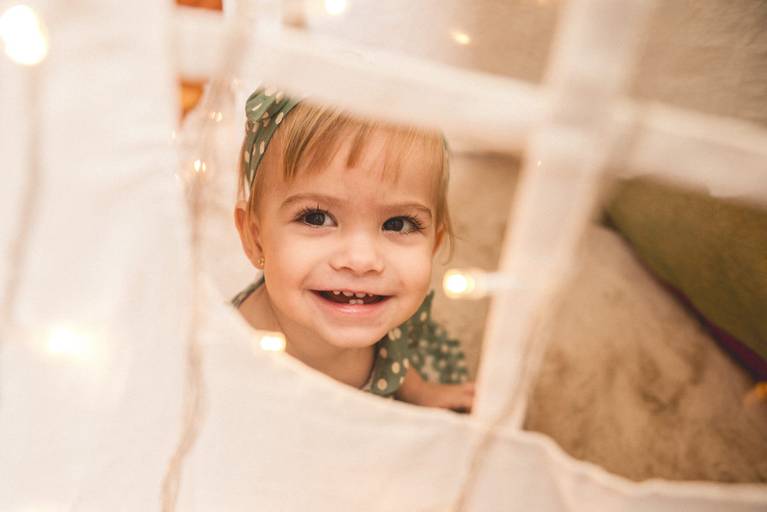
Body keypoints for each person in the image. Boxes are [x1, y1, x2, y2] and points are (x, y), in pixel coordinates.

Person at [232, 86, 474, 412]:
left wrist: (421, 393)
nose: (361, 261)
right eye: (316, 218)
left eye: (397, 224)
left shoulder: (376, 304)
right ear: (255, 237)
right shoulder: (234, 349)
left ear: (435, 243)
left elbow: (395, 350)